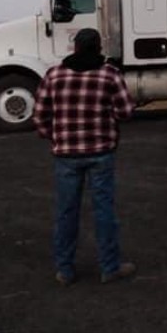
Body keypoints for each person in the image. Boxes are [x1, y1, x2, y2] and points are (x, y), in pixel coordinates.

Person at [32, 28, 136, 286]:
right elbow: (125, 112)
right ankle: (109, 267)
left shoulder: (54, 75)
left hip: (66, 155)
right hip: (101, 153)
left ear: (75, 47)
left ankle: (65, 270)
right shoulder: (109, 74)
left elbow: (39, 116)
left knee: (66, 212)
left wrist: (55, 137)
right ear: (98, 48)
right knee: (104, 211)